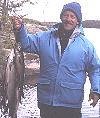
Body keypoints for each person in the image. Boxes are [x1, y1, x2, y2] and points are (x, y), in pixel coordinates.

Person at [12, 2, 100, 118]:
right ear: (61, 17)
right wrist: (20, 29)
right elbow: (25, 44)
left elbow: (95, 69)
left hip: (71, 104)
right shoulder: (44, 37)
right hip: (46, 102)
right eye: (66, 15)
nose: (68, 19)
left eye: (72, 16)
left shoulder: (86, 46)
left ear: (78, 21)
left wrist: (95, 90)